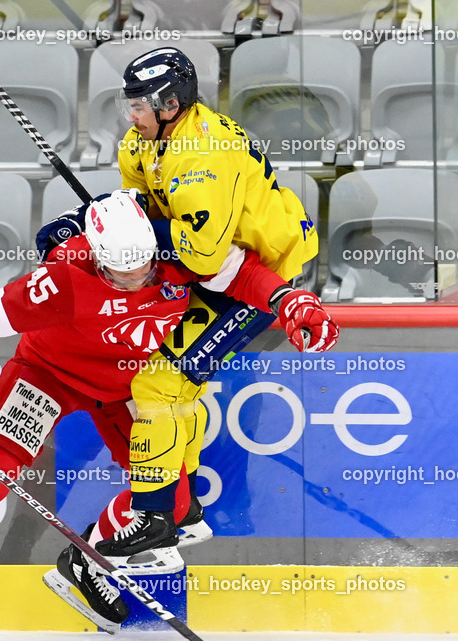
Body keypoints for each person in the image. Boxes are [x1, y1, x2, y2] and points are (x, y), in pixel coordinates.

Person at [0, 191, 327, 633]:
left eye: (144, 270)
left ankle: (88, 558)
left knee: (170, 504)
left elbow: (244, 273)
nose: (135, 281)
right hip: (45, 377)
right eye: (120, 274)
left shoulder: (178, 248)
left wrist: (290, 301)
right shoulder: (63, 277)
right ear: (96, 254)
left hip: (129, 388)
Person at [36, 47, 339, 571]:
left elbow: (202, 253)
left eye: (139, 105)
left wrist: (100, 226)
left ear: (170, 103)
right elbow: (146, 214)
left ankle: (156, 515)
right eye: (128, 105)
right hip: (211, 267)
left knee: (160, 384)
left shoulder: (204, 156)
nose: (130, 116)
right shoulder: (143, 141)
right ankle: (183, 509)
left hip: (256, 276)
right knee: (163, 384)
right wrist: (89, 216)